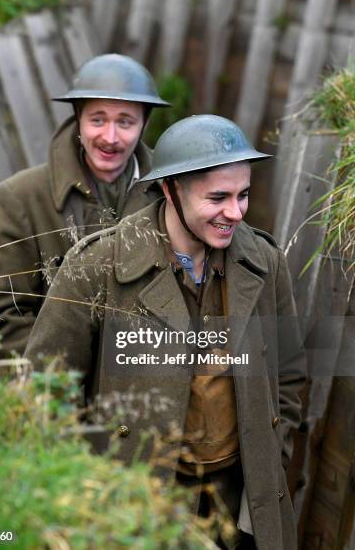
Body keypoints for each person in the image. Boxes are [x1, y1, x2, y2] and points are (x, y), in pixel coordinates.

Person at [25, 115, 306, 549]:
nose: (235, 212)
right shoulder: (96, 267)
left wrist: (272, 452)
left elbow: (288, 376)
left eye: (243, 195)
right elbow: (45, 392)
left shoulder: (266, 265)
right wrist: (84, 490)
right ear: (172, 190)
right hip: (136, 503)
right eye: (218, 197)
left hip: (240, 502)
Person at [0, 53, 169, 356]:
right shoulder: (22, 197)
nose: (110, 137)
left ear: (144, 124)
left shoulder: (173, 192)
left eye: (126, 122)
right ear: (78, 120)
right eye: (97, 120)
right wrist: (66, 375)